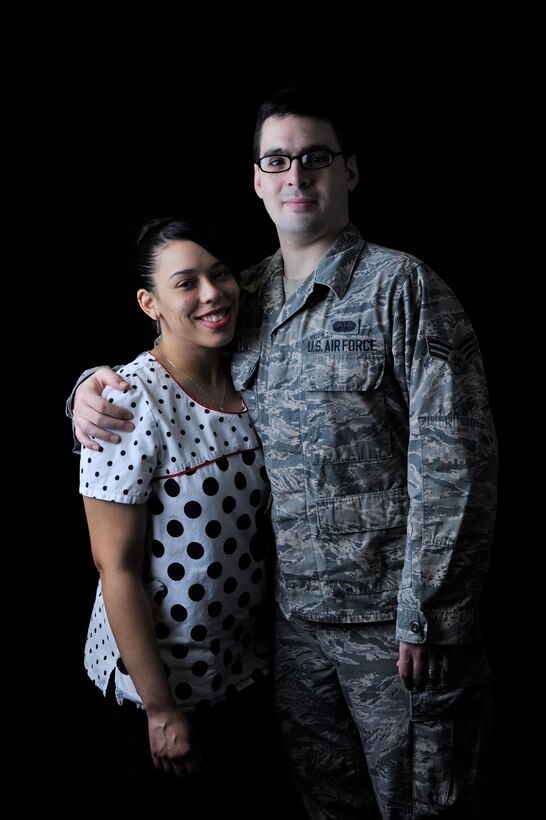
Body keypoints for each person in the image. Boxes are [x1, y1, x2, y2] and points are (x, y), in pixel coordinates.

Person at [68, 86, 498, 819]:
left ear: (349, 171)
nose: (296, 175)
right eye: (278, 160)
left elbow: (459, 462)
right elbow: (169, 368)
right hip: (291, 634)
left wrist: (433, 614)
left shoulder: (402, 288)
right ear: (258, 180)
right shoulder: (245, 297)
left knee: (422, 806)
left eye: (315, 157)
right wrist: (84, 390)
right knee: (328, 808)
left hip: (393, 630)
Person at [75, 216, 304, 819]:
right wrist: (160, 710)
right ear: (149, 303)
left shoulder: (249, 374)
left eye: (219, 274)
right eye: (185, 283)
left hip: (242, 670)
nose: (211, 293)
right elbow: (115, 569)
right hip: (159, 687)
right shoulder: (127, 402)